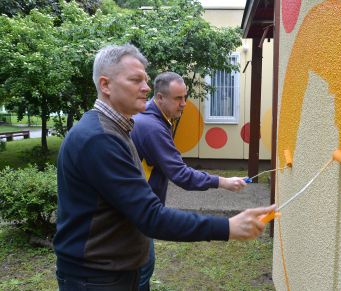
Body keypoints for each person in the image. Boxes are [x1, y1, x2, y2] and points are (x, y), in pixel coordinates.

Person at [53, 44, 275, 291]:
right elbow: (151, 215)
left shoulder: (116, 128)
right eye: (136, 80)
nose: (146, 87)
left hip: (114, 267)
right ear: (106, 85)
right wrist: (228, 226)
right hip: (97, 277)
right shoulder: (101, 139)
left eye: (146, 80)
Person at [131, 71, 249, 290]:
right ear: (159, 98)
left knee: (141, 268)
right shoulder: (153, 128)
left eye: (184, 97)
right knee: (142, 269)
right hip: (138, 213)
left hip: (136, 210)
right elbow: (181, 175)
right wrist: (223, 182)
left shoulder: (152, 119)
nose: (184, 104)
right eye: (178, 98)